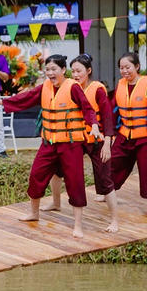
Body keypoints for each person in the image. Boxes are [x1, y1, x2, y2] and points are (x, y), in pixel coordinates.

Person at [0, 54, 100, 238]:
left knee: (75, 182)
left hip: (70, 144)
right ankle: (34, 213)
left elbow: (88, 109)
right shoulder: (44, 87)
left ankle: (78, 225)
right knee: (36, 175)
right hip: (49, 143)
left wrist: (95, 126)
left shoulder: (73, 87)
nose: (50, 73)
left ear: (63, 71)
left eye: (54, 69)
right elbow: (25, 98)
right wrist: (3, 102)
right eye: (48, 70)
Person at [45, 54, 113, 212]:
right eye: (73, 71)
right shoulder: (67, 88)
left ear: (88, 71)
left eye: (79, 71)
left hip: (95, 139)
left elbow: (108, 117)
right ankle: (56, 202)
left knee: (104, 176)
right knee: (56, 169)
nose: (75, 75)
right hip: (75, 138)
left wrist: (107, 144)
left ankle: (112, 214)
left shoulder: (98, 89)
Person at [105, 52, 147, 228]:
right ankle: (108, 192)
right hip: (125, 135)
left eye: (128, 67)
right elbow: (113, 109)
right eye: (121, 68)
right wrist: (109, 131)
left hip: (146, 136)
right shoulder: (120, 85)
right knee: (113, 163)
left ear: (137, 67)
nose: (124, 71)